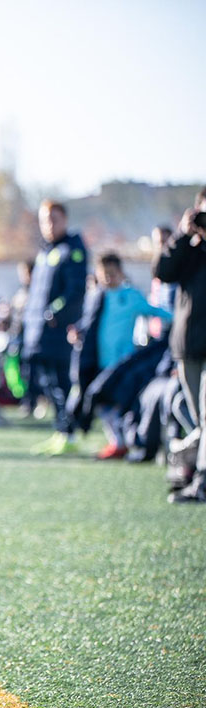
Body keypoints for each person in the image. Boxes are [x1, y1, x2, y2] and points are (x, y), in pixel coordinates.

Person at [68, 252, 172, 458]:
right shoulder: (96, 297)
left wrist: (181, 318)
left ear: (121, 273)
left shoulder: (131, 296)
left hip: (122, 363)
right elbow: (88, 323)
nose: (108, 278)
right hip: (99, 361)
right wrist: (78, 331)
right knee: (100, 403)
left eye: (112, 274)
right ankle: (118, 441)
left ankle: (129, 441)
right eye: (104, 274)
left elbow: (157, 312)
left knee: (116, 401)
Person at [25, 200, 89, 456]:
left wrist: (56, 312)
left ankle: (69, 433)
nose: (49, 225)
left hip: (57, 332)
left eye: (54, 219)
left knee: (62, 384)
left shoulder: (72, 249)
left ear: (65, 219)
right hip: (39, 332)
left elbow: (75, 290)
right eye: (44, 220)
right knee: (49, 385)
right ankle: (60, 430)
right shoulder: (45, 252)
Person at [155, 188, 206, 502]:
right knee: (199, 417)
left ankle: (200, 480)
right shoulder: (191, 246)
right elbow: (163, 271)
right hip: (189, 343)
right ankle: (193, 470)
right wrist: (184, 235)